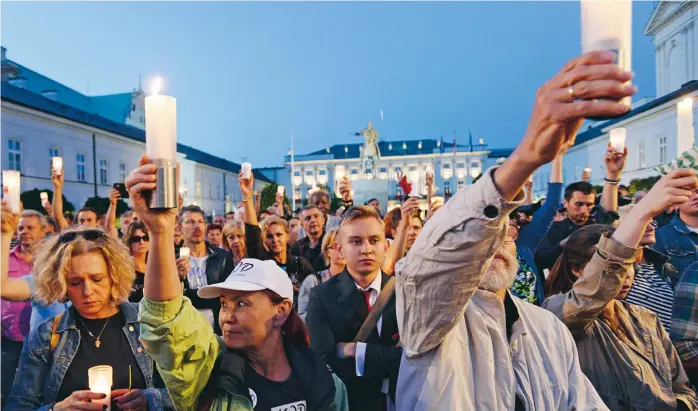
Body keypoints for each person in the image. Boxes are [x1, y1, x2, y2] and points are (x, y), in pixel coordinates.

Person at [395, 50, 633, 410]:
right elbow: (432, 268)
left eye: (502, 231)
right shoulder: (430, 321)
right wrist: (524, 158)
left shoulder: (547, 328)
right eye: (482, 235)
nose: (492, 244)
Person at [125, 159, 349, 410]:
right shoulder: (210, 370)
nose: (227, 317)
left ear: (282, 309)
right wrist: (160, 232)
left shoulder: (323, 381)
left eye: (241, 303)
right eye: (224, 304)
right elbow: (166, 320)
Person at [543, 169, 698, 410]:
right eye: (614, 264)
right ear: (577, 270)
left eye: (629, 265)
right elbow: (592, 294)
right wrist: (641, 212)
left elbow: (682, 387)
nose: (623, 275)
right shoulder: (556, 314)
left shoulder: (646, 318)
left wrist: (680, 405)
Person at [6, 225, 171, 410]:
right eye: (75, 282)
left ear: (114, 276)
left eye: (97, 279)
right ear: (60, 284)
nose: (87, 291)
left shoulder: (147, 323)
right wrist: (57, 409)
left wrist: (151, 399)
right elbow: (18, 405)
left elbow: (187, 390)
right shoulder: (45, 337)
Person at [307, 206, 402, 411]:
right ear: (340, 248)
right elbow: (323, 363)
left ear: (386, 246)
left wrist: (354, 351)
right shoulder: (322, 296)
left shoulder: (404, 293)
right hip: (352, 403)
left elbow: (411, 359)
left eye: (374, 240)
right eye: (355, 241)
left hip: (402, 401)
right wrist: (387, 358)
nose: (366, 249)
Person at [239, 174, 315, 297]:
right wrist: (247, 196)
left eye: (279, 234)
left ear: (287, 236)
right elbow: (252, 231)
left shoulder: (300, 263)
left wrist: (300, 291)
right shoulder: (262, 262)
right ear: (264, 240)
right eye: (269, 236)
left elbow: (316, 289)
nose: (275, 239)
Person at [0, 209, 46, 404]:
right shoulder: (5, 258)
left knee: (38, 393)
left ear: (44, 230)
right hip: (11, 339)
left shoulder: (50, 262)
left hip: (42, 344)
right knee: (10, 393)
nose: (24, 231)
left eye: (30, 227)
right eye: (20, 228)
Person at [508, 151, 564, 305]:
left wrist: (557, 157)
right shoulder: (481, 245)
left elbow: (552, 204)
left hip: (532, 320)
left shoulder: (525, 239)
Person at [178, 205, 235, 333]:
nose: (196, 226)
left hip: (217, 329)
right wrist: (178, 278)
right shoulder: (172, 260)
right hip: (184, 330)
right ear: (179, 228)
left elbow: (227, 296)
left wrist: (190, 295)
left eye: (200, 222)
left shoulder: (222, 257)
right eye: (190, 222)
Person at [297, 228, 345, 320]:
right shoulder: (313, 281)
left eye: (344, 246)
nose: (341, 251)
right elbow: (302, 317)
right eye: (336, 247)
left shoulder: (358, 279)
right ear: (327, 252)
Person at [654, 188, 698, 278]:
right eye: (688, 194)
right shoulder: (660, 237)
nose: (696, 197)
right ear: (676, 204)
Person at [292, 205, 327, 272]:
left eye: (316, 216)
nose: (313, 220)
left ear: (323, 220)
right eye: (308, 218)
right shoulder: (296, 247)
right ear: (302, 225)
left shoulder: (331, 243)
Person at [123, 221, 150, 303]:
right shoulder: (124, 266)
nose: (141, 242)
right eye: (136, 239)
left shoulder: (155, 265)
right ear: (129, 242)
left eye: (145, 238)